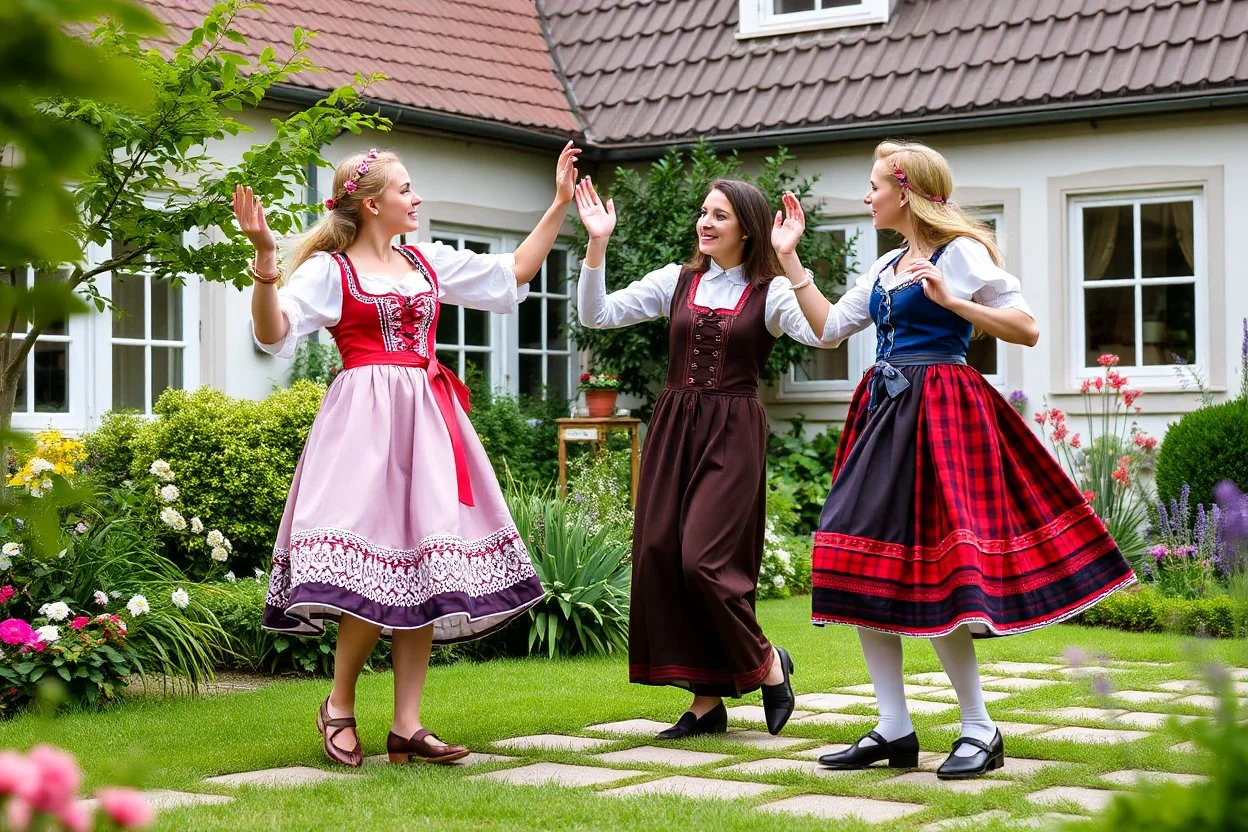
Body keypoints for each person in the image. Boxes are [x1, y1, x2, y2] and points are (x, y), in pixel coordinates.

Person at [775, 140, 1135, 779]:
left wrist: (951, 302)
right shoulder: (886, 265)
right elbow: (829, 326)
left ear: (905, 189)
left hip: (944, 412)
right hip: (886, 415)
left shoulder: (961, 254)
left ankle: (979, 727)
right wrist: (788, 258)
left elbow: (1025, 329)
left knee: (938, 569)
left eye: (874, 185)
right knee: (849, 547)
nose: (867, 196)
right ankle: (894, 727)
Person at [233, 141, 582, 767]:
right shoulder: (330, 272)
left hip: (427, 421)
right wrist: (264, 259)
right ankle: (338, 705)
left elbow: (514, 272)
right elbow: (271, 332)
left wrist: (558, 204)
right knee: (373, 569)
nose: (415, 198)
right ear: (372, 205)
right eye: (405, 189)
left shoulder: (427, 262)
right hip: (361, 431)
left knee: (420, 564)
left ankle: (406, 725)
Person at [573, 176, 840, 738]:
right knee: (660, 552)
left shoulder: (772, 293)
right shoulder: (676, 280)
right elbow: (596, 315)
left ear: (747, 225)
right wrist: (597, 242)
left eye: (719, 215)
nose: (706, 223)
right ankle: (705, 703)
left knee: (704, 561)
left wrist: (792, 262)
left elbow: (826, 336)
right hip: (675, 427)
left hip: (732, 429)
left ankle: (767, 662)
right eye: (703, 213)